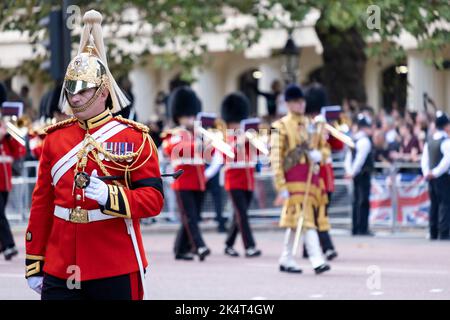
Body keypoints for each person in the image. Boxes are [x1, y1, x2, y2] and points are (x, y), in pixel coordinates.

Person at [25, 10, 164, 300]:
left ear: (102, 92)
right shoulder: (55, 138)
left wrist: (110, 196)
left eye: (82, 90)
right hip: (60, 265)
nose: (73, 97)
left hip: (112, 263)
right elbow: (42, 203)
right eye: (70, 89)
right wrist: (35, 260)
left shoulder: (134, 137)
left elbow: (152, 201)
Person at [270, 84, 330, 274]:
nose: (301, 105)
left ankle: (286, 258)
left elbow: (324, 147)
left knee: (296, 221)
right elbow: (276, 157)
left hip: (310, 178)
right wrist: (280, 184)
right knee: (306, 218)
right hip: (292, 177)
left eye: (302, 101)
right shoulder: (280, 126)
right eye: (296, 101)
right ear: (288, 104)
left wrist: (320, 154)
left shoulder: (312, 124)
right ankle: (316, 258)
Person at [161, 86, 211, 261]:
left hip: (198, 181)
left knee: (191, 218)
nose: (191, 118)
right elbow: (172, 149)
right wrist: (197, 145)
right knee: (190, 218)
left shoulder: (199, 134)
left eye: (192, 115)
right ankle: (200, 246)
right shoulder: (173, 134)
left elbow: (210, 155)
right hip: (182, 182)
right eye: (187, 115)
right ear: (179, 116)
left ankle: (180, 249)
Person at [221, 92, 261, 258]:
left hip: (249, 180)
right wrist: (237, 143)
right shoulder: (224, 136)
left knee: (240, 215)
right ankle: (250, 247)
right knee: (243, 214)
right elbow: (224, 155)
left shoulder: (249, 135)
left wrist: (253, 141)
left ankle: (229, 244)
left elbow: (259, 153)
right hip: (234, 181)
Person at [421, 112, 450, 240]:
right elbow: (447, 161)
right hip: (443, 177)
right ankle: (444, 233)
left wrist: (427, 172)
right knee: (445, 204)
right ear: (446, 126)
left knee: (434, 204)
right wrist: (436, 173)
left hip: (431, 178)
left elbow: (424, 160)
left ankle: (433, 232)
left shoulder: (430, 141)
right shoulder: (446, 141)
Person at [344, 114, 374, 236]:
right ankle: (362, 228)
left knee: (356, 201)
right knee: (363, 201)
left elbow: (348, 158)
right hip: (363, 174)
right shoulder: (364, 141)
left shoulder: (353, 139)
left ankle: (356, 228)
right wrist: (353, 172)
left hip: (355, 174)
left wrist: (349, 171)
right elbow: (360, 160)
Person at [0, 120, 26, 260]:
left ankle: (3, 245)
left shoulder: (6, 136)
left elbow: (19, 152)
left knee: (1, 214)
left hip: (4, 183)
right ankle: (9, 245)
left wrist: (9, 137)